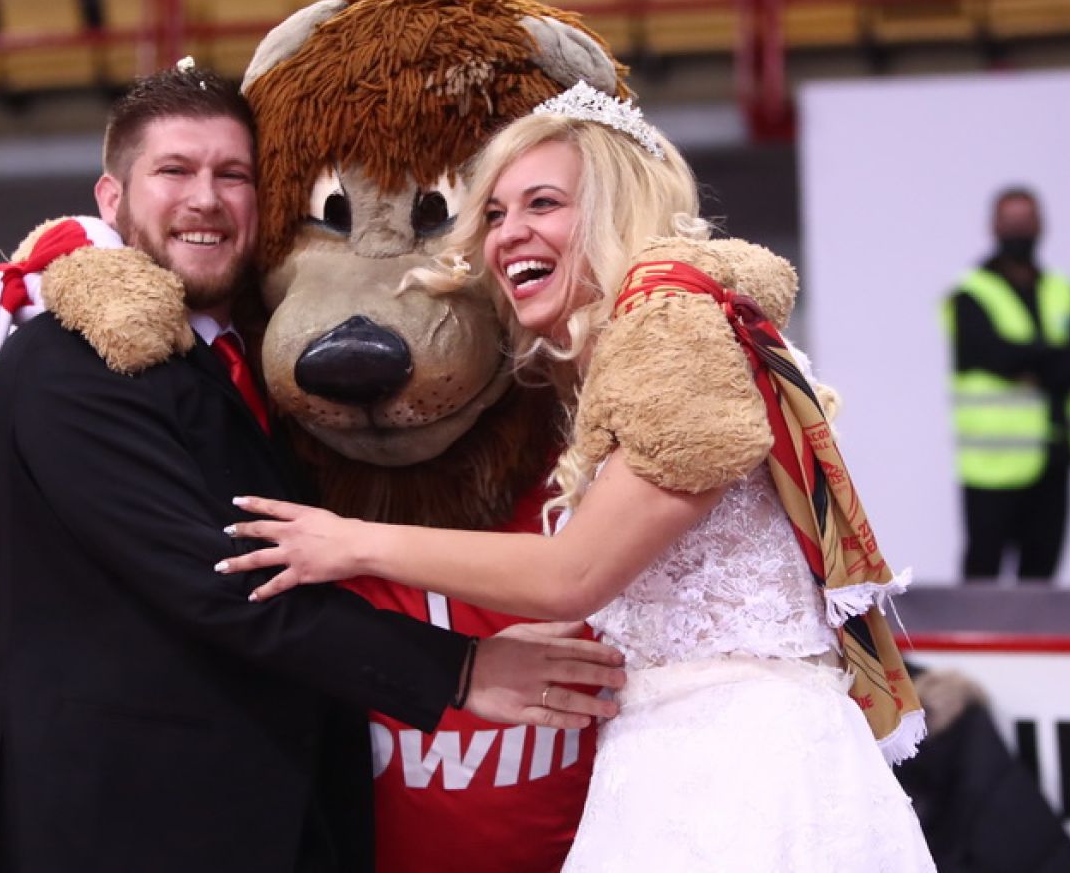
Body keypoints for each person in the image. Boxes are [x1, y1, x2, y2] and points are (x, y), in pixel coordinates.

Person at [221, 84, 935, 871]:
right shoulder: (663, 329)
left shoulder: (676, 332)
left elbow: (574, 573)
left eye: (544, 204)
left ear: (617, 209)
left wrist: (351, 542)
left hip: (740, 774)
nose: (508, 234)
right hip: (686, 757)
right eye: (495, 214)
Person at [0, 65, 626, 871]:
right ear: (112, 198)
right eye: (174, 171)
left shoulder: (232, 359)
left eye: (233, 175)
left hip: (250, 816)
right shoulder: (70, 365)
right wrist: (462, 669)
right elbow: (222, 583)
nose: (206, 199)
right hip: (119, 826)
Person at [945, 186, 1070, 583]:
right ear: (994, 227)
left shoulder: (1062, 288)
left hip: (1055, 452)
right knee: (983, 573)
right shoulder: (970, 293)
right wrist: (1054, 357)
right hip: (992, 466)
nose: (1019, 230)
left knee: (1042, 574)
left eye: (1026, 220)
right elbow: (992, 354)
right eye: (1011, 221)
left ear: (1041, 225)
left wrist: (1030, 362)